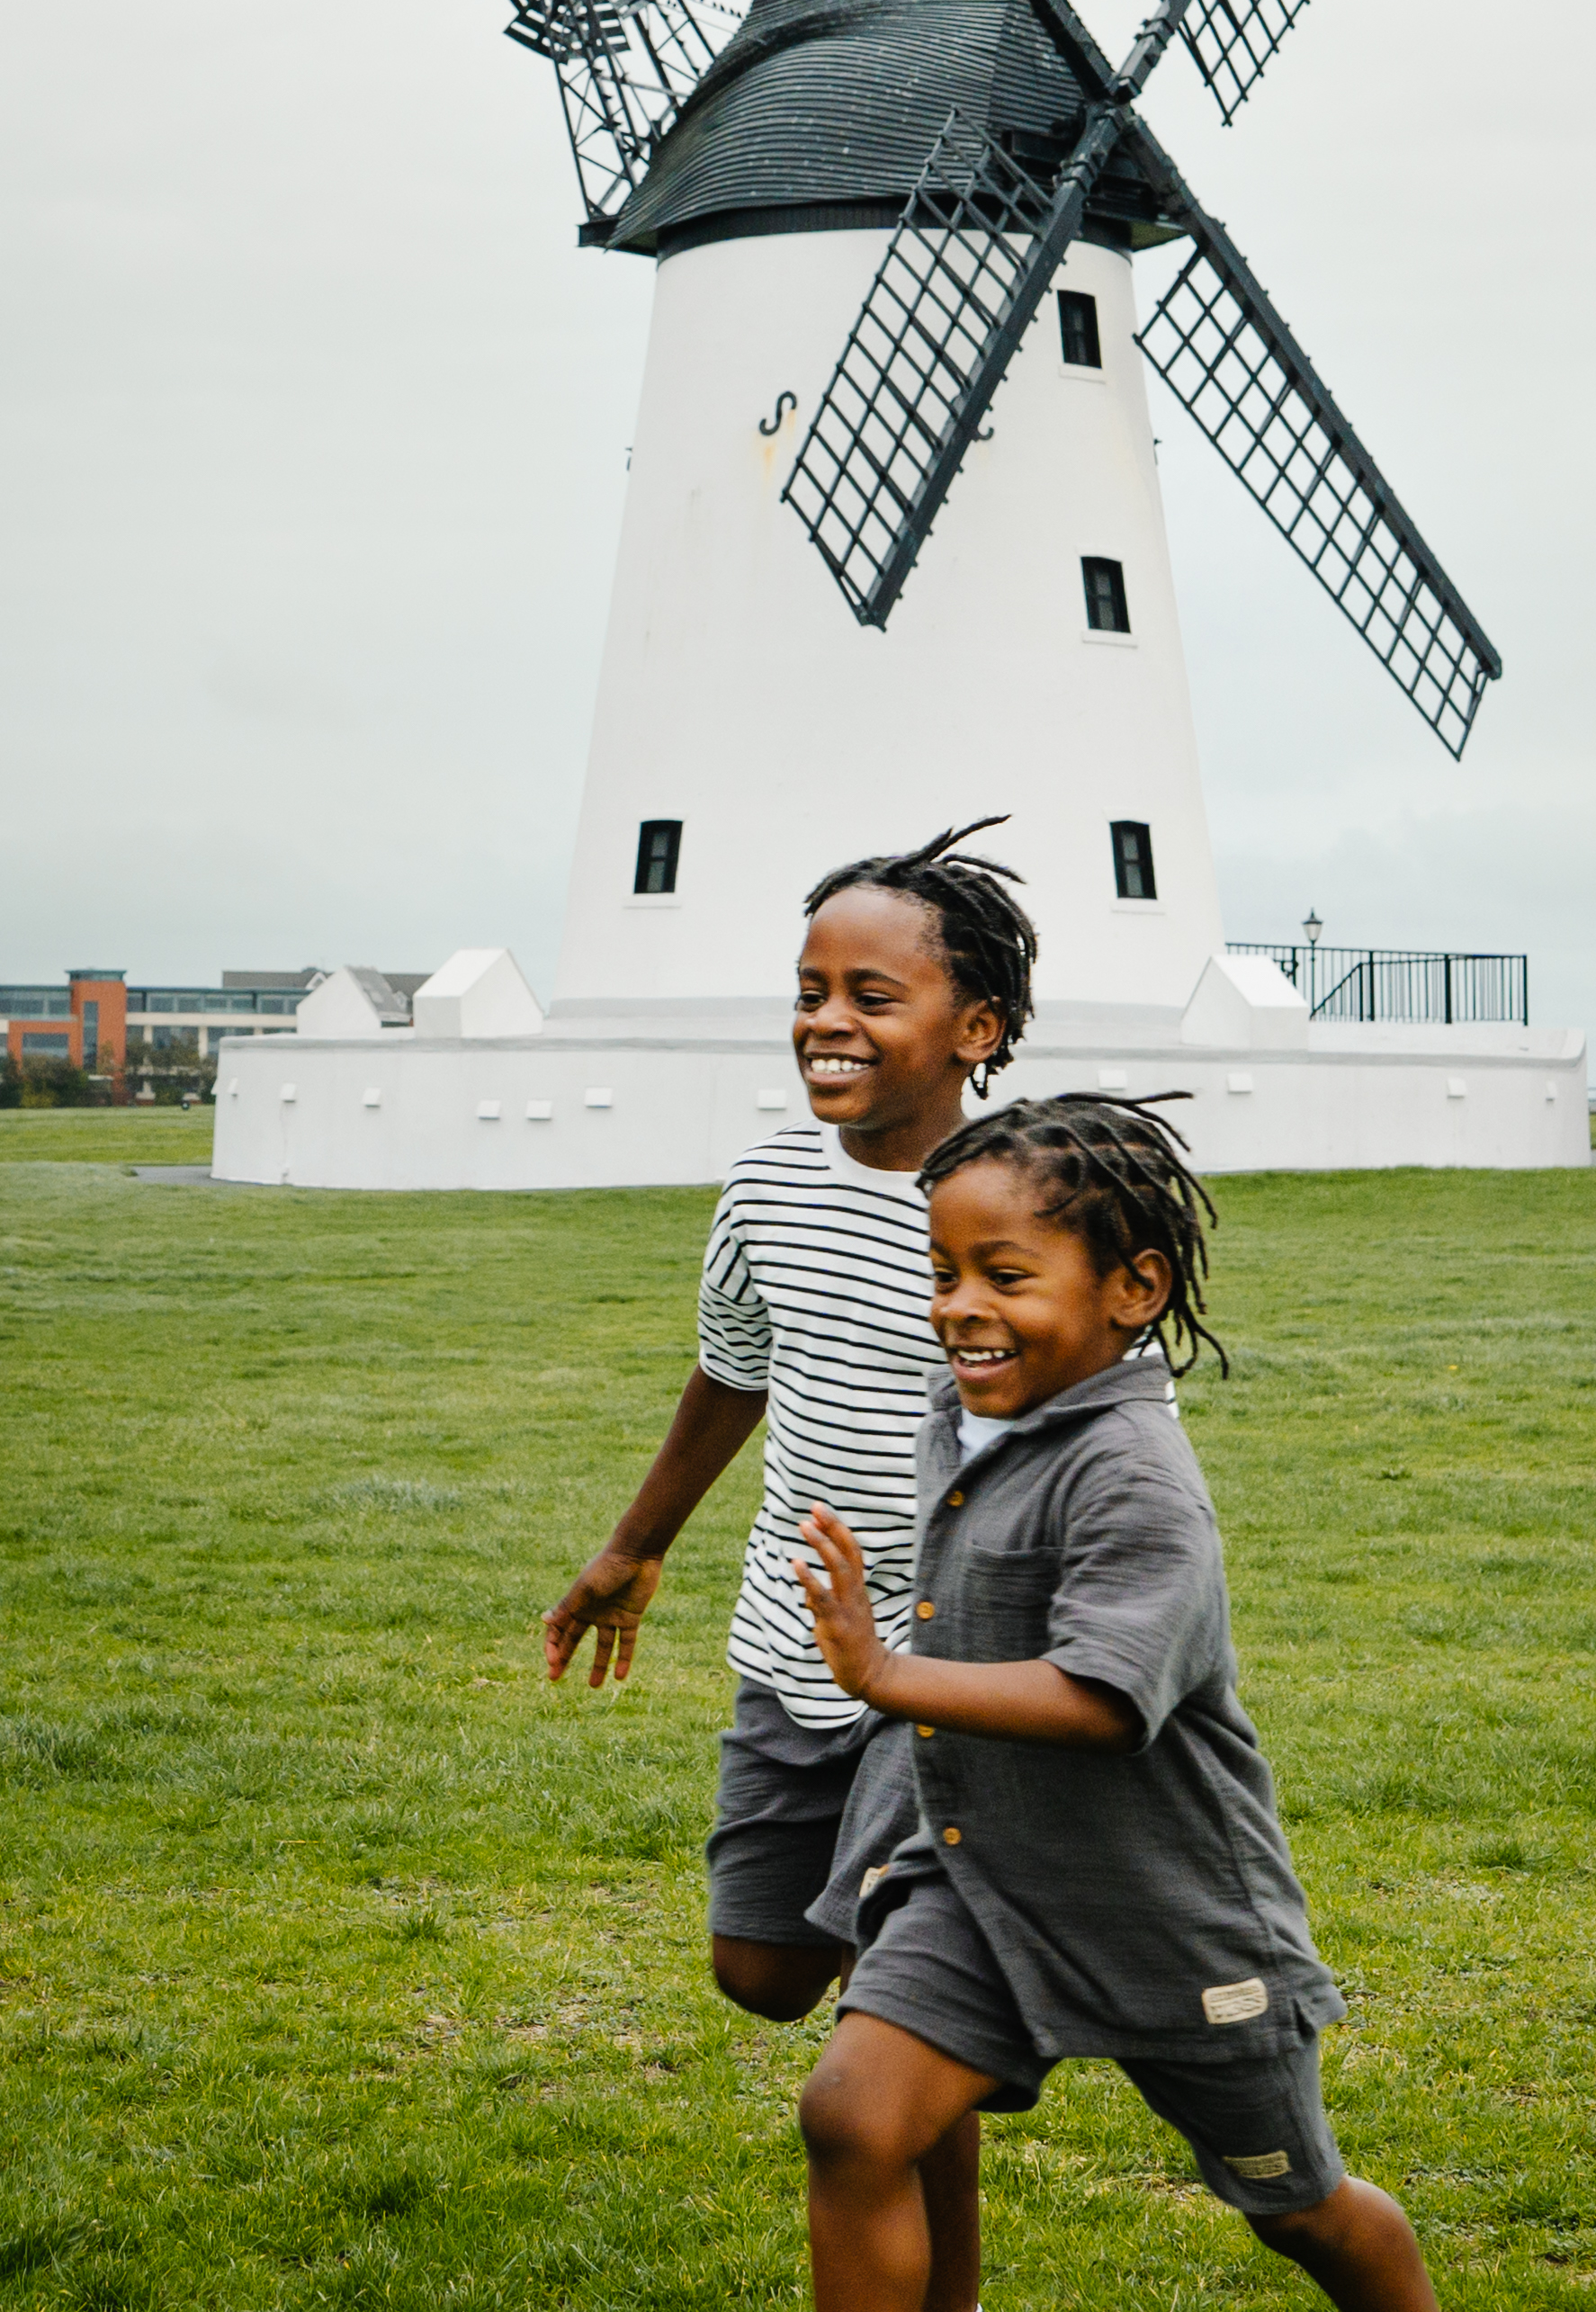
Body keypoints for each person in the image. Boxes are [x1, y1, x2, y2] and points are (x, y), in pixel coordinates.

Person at [787, 1095, 1441, 2312]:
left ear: (1132, 1289)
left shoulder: (1134, 1475)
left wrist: (883, 1676)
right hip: (977, 1881)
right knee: (853, 2118)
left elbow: (1097, 1699)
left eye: (1004, 1275)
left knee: (1298, 2207)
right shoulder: (967, 1411)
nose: (960, 1308)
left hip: (1164, 1912)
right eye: (942, 1272)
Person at [542, 818, 1040, 2312]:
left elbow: (1073, 1436)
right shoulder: (766, 1186)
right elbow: (733, 1371)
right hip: (789, 1640)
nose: (826, 1020)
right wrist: (636, 1546)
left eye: (870, 995)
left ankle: (932, 2046)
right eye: (811, 988)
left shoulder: (1020, 1205)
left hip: (943, 1668)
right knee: (758, 1971)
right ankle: (940, 2020)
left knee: (873, 2051)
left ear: (975, 1030)